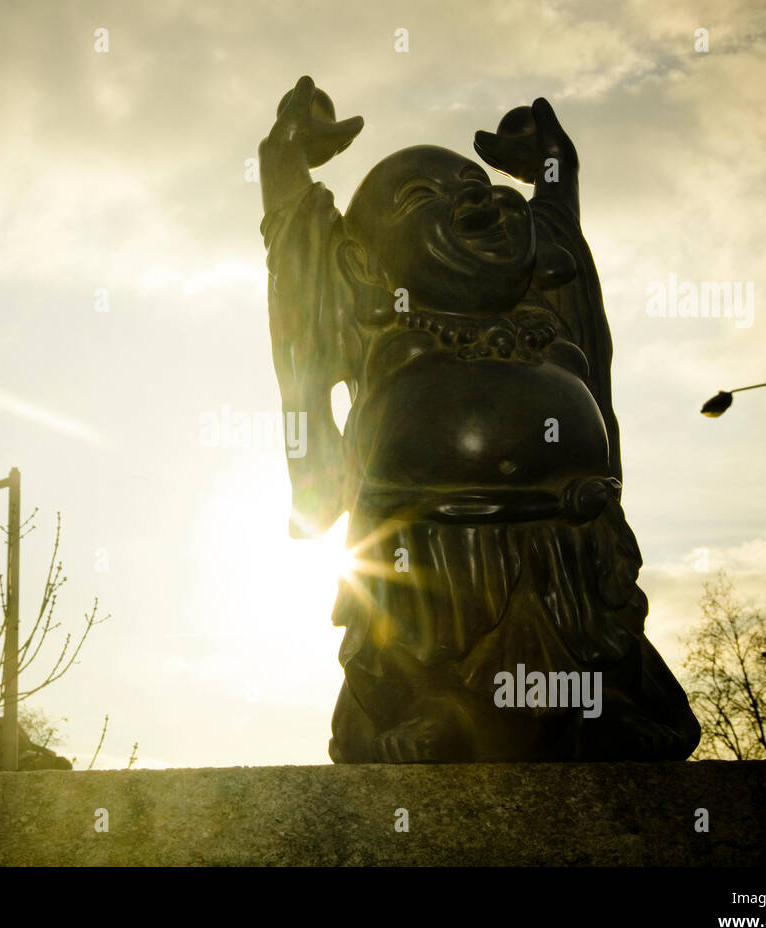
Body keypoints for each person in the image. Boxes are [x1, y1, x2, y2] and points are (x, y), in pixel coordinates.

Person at [259, 76, 700, 762]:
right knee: (407, 616)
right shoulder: (380, 327)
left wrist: (555, 165)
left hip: (569, 538)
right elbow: (297, 249)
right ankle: (437, 708)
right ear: (361, 263)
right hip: (432, 544)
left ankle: (602, 703)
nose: (474, 195)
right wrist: (284, 158)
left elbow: (557, 219)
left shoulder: (546, 309)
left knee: (595, 627)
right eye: (420, 198)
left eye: (477, 183)